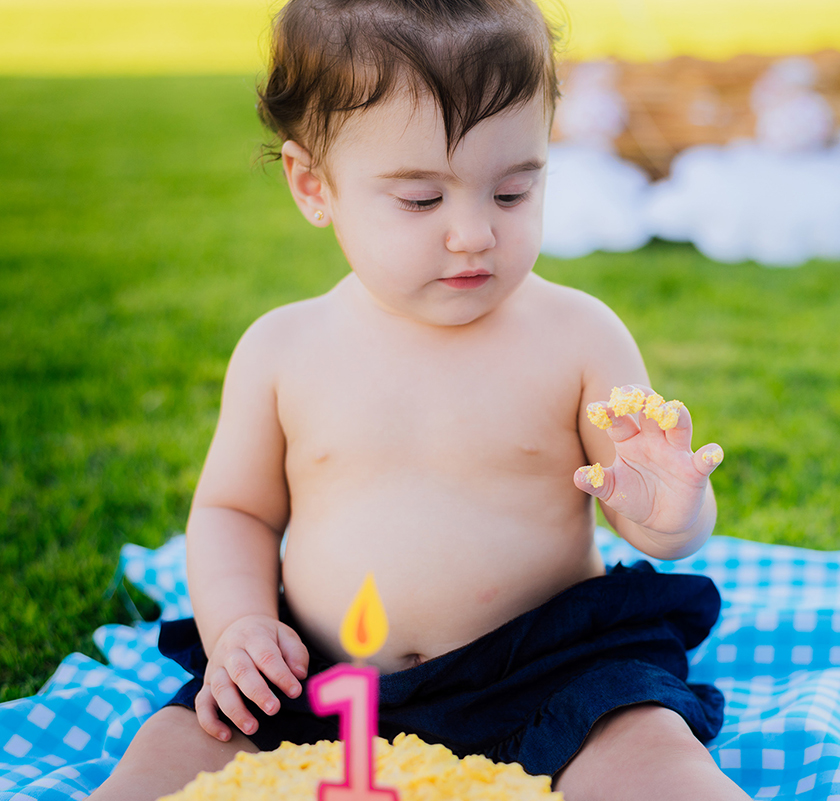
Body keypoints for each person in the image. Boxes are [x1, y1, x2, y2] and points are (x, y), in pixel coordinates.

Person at [90, 1, 747, 799]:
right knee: (173, 744)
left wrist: (672, 514)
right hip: (317, 679)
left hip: (544, 667)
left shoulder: (579, 334)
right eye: (421, 200)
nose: (473, 232)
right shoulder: (283, 348)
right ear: (314, 185)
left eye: (511, 193)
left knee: (651, 750)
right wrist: (239, 628)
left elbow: (639, 512)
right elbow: (235, 512)